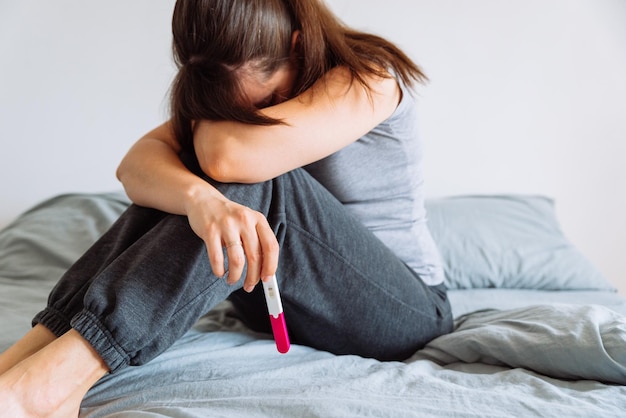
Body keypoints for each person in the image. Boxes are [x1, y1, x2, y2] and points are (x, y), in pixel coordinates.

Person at [0, 0, 453, 416]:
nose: (258, 115)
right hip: (272, 296)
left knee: (251, 179)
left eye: (267, 103)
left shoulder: (368, 76)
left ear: (296, 45)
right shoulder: (224, 86)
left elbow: (227, 159)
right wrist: (199, 200)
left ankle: (53, 383)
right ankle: (30, 356)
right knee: (189, 190)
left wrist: (207, 162)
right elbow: (134, 169)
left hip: (400, 312)